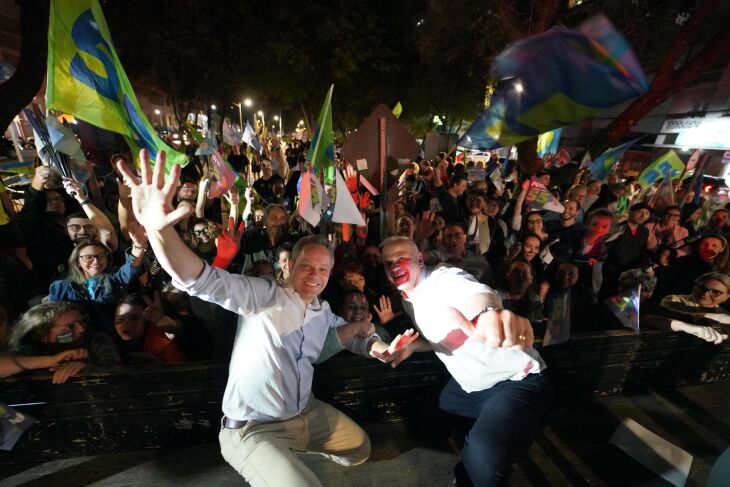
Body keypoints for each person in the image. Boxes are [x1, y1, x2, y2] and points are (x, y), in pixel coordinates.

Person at [116, 152, 407, 487]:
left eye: (323, 269)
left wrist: (377, 347)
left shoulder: (322, 310)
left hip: (305, 414)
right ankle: (276, 465)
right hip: (255, 430)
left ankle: (289, 461)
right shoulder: (264, 295)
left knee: (360, 449)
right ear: (289, 267)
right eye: (307, 266)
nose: (315, 275)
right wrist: (159, 231)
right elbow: (200, 278)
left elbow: (354, 336)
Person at [376, 236, 553, 486]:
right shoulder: (408, 299)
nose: (395, 266)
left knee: (481, 468)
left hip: (515, 382)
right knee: (424, 426)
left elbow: (477, 295)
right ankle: (490, 424)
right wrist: (414, 346)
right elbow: (444, 337)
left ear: (419, 259)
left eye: (402, 258)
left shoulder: (443, 278)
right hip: (468, 386)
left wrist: (488, 316)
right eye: (388, 262)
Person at [48, 235, 146, 334]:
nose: (96, 261)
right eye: (88, 257)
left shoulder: (113, 278)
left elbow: (130, 269)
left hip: (111, 336)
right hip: (78, 338)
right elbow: (55, 319)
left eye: (101, 256)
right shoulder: (60, 287)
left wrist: (138, 245)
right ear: (78, 262)